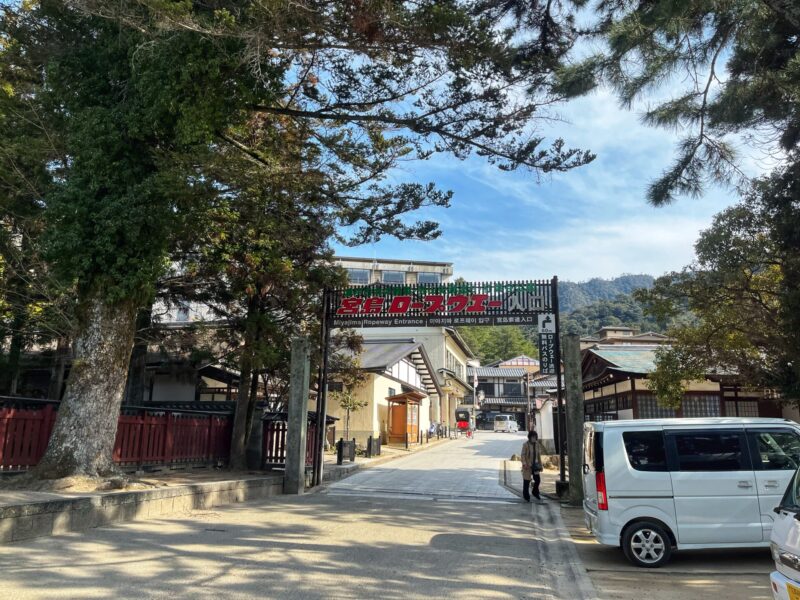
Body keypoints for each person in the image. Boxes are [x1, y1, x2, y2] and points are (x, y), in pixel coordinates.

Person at [521, 430, 542, 502]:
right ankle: (526, 495)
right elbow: (523, 455)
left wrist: (540, 465)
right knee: (526, 481)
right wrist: (524, 463)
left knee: (538, 480)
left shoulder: (537, 444)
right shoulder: (525, 445)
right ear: (529, 437)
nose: (534, 439)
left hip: (535, 465)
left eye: (535, 437)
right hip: (527, 465)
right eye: (532, 437)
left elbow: (539, 455)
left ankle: (535, 492)